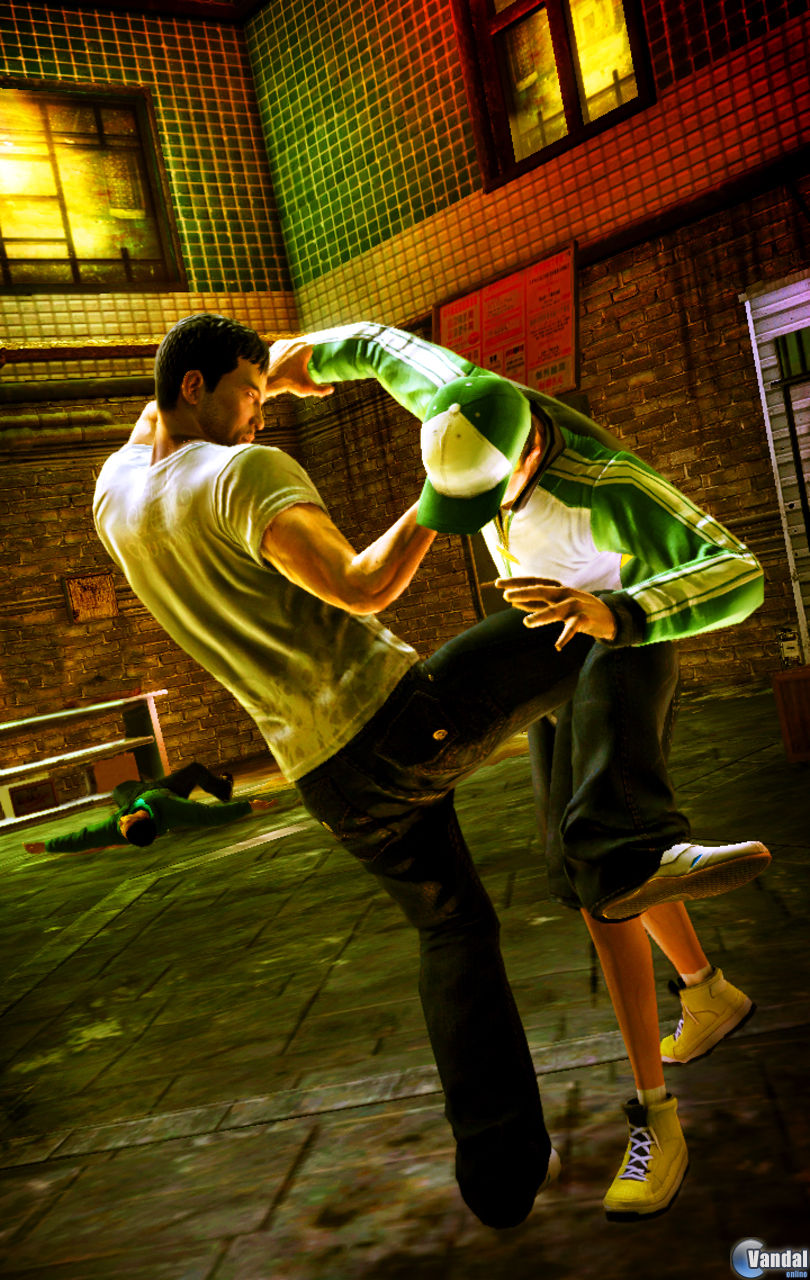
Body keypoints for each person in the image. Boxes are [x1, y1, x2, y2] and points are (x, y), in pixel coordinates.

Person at [92, 313, 766, 1231]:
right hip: (397, 725)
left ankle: (503, 1170)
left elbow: (383, 350)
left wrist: (290, 362)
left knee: (455, 932)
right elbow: (362, 586)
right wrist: (442, 496)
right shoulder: (244, 475)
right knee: (593, 623)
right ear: (194, 387)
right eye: (248, 397)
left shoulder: (116, 486)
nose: (260, 415)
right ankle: (632, 842)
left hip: (321, 778)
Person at [24, 761, 272, 855]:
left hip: (136, 796)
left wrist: (47, 846)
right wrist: (250, 806)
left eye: (123, 824)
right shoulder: (174, 809)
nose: (121, 821)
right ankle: (223, 790)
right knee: (194, 770)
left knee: (119, 789)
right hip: (164, 793)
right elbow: (212, 816)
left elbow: (85, 837)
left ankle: (221, 789)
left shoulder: (118, 823)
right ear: (142, 820)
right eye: (126, 822)